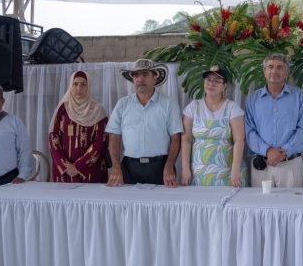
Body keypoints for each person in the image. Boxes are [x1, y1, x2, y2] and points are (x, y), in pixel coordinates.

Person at [105, 59, 183, 187]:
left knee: (162, 206)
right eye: (136, 75)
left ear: (155, 78)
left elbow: (176, 137)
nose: (140, 79)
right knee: (128, 206)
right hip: (129, 168)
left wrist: (169, 166)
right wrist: (116, 167)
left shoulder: (168, 104)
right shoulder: (122, 104)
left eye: (145, 74)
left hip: (161, 168)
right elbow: (114, 137)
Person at [245, 53, 303, 188]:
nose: (274, 71)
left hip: (291, 165)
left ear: (286, 73)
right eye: (270, 67)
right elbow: (248, 130)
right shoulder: (252, 99)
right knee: (260, 208)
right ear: (264, 72)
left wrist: (283, 152)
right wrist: (268, 151)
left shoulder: (299, 97)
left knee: (293, 207)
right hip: (262, 165)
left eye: (279, 67)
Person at [181, 66, 247, 187]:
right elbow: (186, 139)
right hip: (199, 172)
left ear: (224, 86)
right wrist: (185, 168)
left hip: (228, 172)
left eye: (217, 81)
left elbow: (239, 140)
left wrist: (235, 169)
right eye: (208, 79)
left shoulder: (232, 108)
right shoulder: (193, 107)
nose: (211, 83)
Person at [48, 71, 109, 183]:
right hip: (65, 174)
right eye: (75, 84)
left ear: (89, 86)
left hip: (91, 173)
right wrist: (65, 165)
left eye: (83, 84)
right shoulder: (63, 109)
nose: (78, 88)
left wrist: (79, 166)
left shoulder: (98, 110)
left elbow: (101, 141)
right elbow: (53, 137)